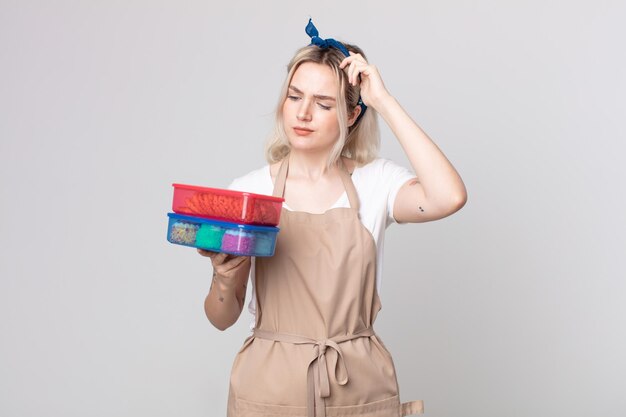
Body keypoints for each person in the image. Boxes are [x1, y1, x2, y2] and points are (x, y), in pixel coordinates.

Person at [199, 19, 467, 417]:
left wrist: (385, 101)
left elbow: (448, 196)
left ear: (352, 114)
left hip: (358, 385)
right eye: (294, 97)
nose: (303, 113)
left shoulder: (376, 182)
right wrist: (223, 276)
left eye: (324, 104)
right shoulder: (248, 192)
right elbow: (222, 318)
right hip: (270, 390)